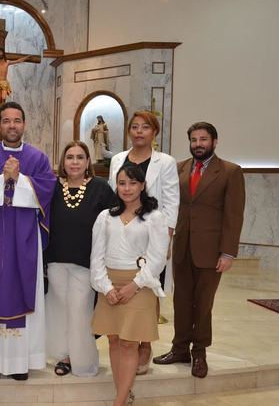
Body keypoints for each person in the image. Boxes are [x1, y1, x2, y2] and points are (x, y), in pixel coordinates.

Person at [0, 101, 56, 381]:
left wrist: (20, 179)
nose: (12, 125)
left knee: (22, 287)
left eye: (17, 120)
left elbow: (47, 190)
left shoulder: (38, 158)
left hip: (24, 237)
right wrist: (2, 179)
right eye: (6, 120)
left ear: (24, 124)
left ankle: (20, 362)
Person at [153, 122, 245, 379]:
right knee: (181, 300)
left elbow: (234, 216)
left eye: (203, 139)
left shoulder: (230, 171)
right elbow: (171, 206)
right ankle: (179, 348)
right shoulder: (179, 168)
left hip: (211, 251)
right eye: (194, 140)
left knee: (203, 303)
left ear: (214, 142)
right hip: (182, 247)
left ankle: (200, 352)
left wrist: (228, 252)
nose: (198, 144)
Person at [108, 110, 179, 375]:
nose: (139, 131)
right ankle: (126, 338)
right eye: (134, 126)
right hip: (122, 231)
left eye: (145, 127)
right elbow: (110, 195)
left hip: (152, 233)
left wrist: (168, 237)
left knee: (148, 285)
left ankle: (145, 343)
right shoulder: (117, 159)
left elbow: (172, 201)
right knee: (123, 284)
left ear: (154, 132)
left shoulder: (166, 162)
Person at [91, 165, 169, 406]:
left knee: (129, 342)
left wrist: (133, 286)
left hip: (140, 286)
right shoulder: (106, 216)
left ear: (143, 186)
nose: (127, 188)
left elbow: (157, 258)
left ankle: (119, 400)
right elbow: (97, 257)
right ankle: (123, 393)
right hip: (109, 285)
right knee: (114, 340)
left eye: (133, 183)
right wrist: (105, 287)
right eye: (122, 183)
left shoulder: (155, 217)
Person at [44, 140, 115, 377]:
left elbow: (114, 222)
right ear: (63, 162)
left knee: (80, 310)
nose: (74, 162)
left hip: (86, 262)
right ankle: (64, 356)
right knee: (60, 308)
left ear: (87, 162)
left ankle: (83, 360)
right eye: (70, 157)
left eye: (80, 157)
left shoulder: (100, 188)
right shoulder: (52, 187)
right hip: (55, 259)